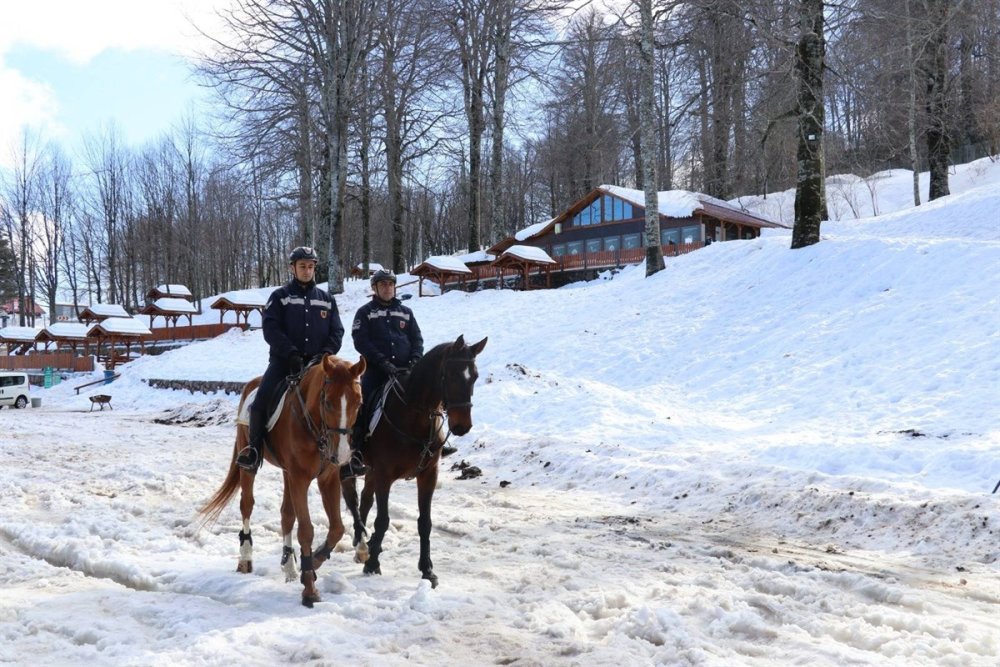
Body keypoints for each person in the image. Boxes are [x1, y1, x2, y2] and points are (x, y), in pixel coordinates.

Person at [236, 246, 345, 472]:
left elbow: (337, 332)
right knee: (259, 404)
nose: (307, 271)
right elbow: (271, 329)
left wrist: (324, 355)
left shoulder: (326, 299)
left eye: (311, 267)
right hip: (284, 363)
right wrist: (291, 353)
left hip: (319, 366)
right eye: (302, 266)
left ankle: (349, 454)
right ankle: (254, 451)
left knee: (347, 400)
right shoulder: (279, 297)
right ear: (292, 268)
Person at [346, 269, 425, 479]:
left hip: (405, 371)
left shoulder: (406, 312)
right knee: (362, 402)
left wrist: (415, 360)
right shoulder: (365, 312)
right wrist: (382, 362)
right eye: (383, 284)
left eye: (391, 284)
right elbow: (361, 341)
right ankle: (357, 450)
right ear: (375, 288)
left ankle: (435, 443)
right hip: (376, 371)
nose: (387, 288)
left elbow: (417, 339)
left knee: (428, 397)